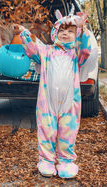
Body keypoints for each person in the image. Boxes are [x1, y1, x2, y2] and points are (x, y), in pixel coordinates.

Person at [14, 10, 91, 179]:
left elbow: (86, 49)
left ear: (76, 35)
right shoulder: (47, 51)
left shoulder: (76, 54)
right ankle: (47, 161)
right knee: (46, 130)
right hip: (47, 102)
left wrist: (82, 29)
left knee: (67, 131)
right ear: (55, 33)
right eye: (62, 30)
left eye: (70, 31)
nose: (65, 33)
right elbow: (32, 49)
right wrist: (24, 33)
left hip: (69, 102)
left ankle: (65, 161)